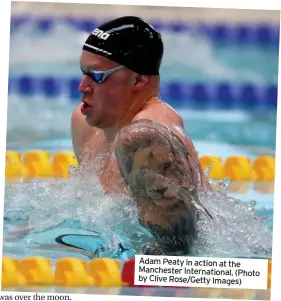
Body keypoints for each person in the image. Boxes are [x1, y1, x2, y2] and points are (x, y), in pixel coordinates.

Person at [71, 16, 212, 256]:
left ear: (138, 79)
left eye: (97, 76)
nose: (82, 86)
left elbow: (178, 254)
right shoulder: (86, 124)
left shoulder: (147, 139)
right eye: (84, 72)